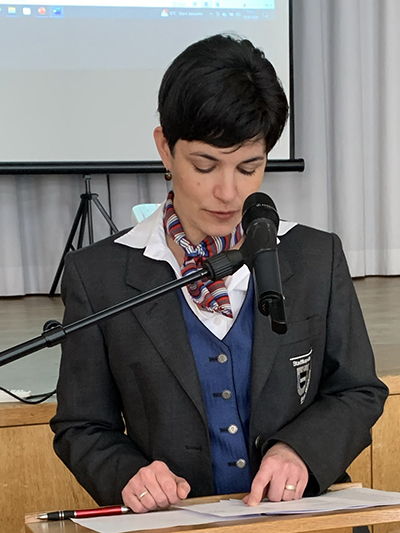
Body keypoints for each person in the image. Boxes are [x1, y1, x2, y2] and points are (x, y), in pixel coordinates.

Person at [51, 34, 388, 514]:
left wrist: (300, 451)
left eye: (249, 168)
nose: (228, 193)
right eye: (205, 166)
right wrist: (128, 475)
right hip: (174, 523)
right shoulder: (98, 275)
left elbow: (358, 389)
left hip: (300, 518)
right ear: (165, 149)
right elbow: (82, 425)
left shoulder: (316, 256)